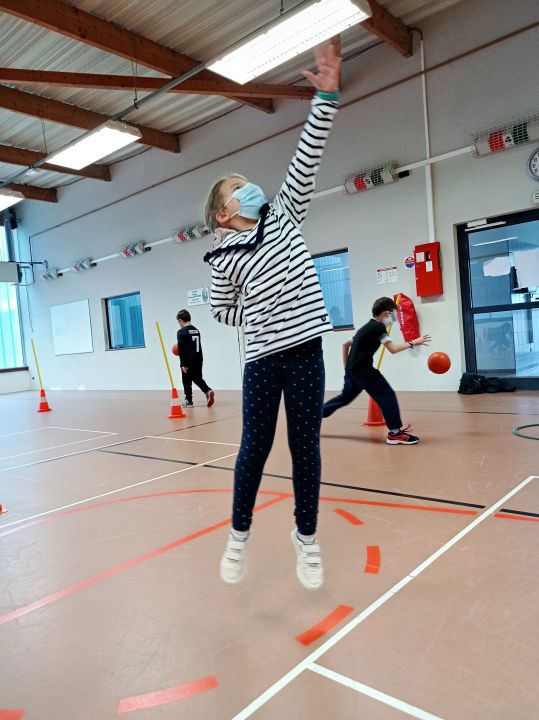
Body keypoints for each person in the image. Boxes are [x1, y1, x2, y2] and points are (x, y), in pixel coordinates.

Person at [203, 44, 341, 590]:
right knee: (253, 449)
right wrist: (256, 309)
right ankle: (238, 535)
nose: (249, 187)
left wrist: (325, 97)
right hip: (262, 360)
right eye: (238, 188)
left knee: (305, 448)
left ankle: (306, 539)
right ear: (224, 212)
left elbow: (308, 156)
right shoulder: (222, 259)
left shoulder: (284, 214)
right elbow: (221, 309)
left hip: (306, 353)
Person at [323, 297, 431, 444]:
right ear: (387, 314)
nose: (394, 319)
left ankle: (312, 416)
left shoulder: (365, 328)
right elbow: (393, 349)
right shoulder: (379, 328)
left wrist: (347, 369)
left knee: (344, 398)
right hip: (364, 371)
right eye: (393, 315)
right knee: (387, 394)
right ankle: (395, 433)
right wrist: (413, 342)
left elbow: (345, 345)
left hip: (353, 371)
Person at [176, 309, 214, 408]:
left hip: (189, 360)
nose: (178, 324)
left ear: (181, 320)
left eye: (178, 322)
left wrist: (182, 364)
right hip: (199, 358)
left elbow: (181, 349)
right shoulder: (196, 330)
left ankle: (189, 400)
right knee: (197, 377)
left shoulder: (181, 332)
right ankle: (208, 392)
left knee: (186, 379)